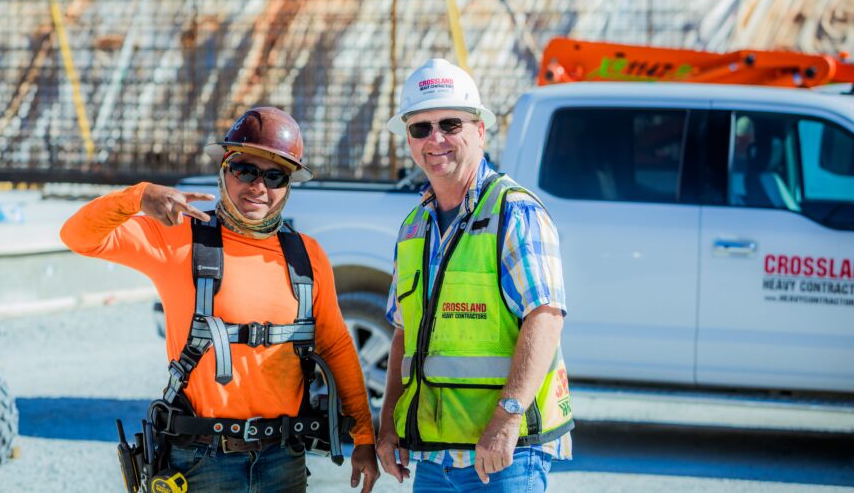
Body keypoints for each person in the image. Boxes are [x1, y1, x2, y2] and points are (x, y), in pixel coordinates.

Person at [60, 107, 379, 492]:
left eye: (274, 176)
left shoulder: (306, 256)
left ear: (288, 185)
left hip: (283, 460)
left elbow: (336, 346)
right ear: (225, 169)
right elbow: (78, 236)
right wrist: (138, 196)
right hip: (201, 461)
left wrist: (364, 437)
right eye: (245, 170)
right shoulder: (179, 237)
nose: (259, 186)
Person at [374, 59, 573, 492]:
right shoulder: (414, 227)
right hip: (434, 454)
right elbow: (403, 335)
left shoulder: (515, 212)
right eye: (420, 128)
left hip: (506, 452)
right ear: (408, 139)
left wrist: (506, 418)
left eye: (450, 123)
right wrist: (388, 424)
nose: (435, 139)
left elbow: (546, 317)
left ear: (480, 130)